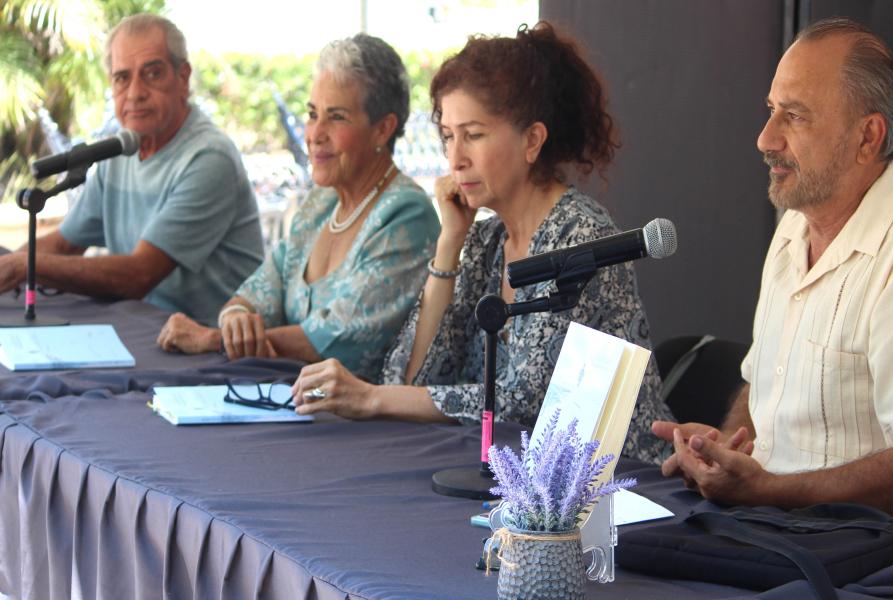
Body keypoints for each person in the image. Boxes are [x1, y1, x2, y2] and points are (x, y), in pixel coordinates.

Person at [653, 17, 893, 559]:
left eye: (796, 116)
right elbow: (764, 392)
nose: (767, 138)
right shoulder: (793, 229)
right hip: (784, 541)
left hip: (892, 570)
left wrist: (768, 490)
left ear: (867, 137)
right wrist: (728, 451)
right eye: (771, 111)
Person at [287, 23, 673, 465]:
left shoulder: (581, 235)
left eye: (473, 134)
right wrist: (449, 241)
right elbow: (411, 377)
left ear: (532, 140)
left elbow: (523, 404)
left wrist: (373, 398)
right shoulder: (488, 238)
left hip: (622, 484)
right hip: (525, 482)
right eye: (448, 136)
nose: (455, 158)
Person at [156, 34, 440, 381]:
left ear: (383, 129)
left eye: (336, 117)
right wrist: (235, 320)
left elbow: (335, 340)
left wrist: (212, 340)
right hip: (292, 402)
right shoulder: (320, 205)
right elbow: (254, 294)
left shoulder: (405, 215)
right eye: (312, 114)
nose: (314, 133)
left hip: (366, 425)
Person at [0, 14, 263, 323]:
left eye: (152, 73)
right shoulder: (119, 151)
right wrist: (11, 263)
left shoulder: (208, 158)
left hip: (211, 346)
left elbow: (138, 276)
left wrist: (22, 266)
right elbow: (64, 244)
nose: (135, 92)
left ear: (183, 78)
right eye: (122, 78)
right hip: (142, 328)